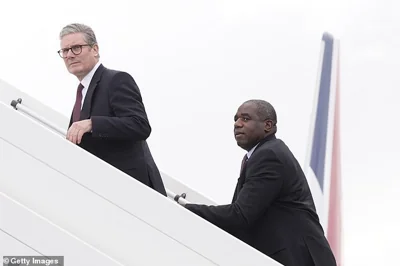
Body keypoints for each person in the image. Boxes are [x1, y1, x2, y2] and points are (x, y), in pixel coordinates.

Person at [178, 100, 336, 266]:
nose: (237, 124)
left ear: (268, 125)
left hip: (299, 257)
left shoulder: (269, 155)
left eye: (245, 119)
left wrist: (187, 210)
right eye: (235, 119)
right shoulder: (260, 155)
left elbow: (240, 215)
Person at [58, 23, 166, 196]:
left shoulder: (116, 80)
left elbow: (140, 125)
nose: (70, 55)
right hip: (104, 190)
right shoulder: (82, 92)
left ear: (95, 49)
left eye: (76, 48)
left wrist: (92, 124)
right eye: (65, 51)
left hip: (134, 191)